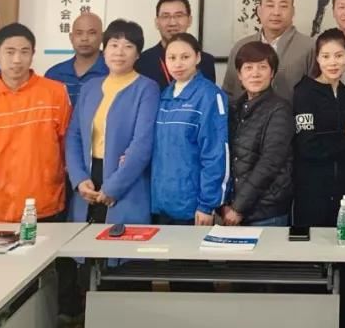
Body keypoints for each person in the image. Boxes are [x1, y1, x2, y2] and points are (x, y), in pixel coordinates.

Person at [0, 23, 72, 229]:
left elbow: (66, 145)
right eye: (10, 52)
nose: (17, 59)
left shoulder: (55, 93)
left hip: (43, 203)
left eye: (24, 52)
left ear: (33, 54)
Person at [65, 19, 158, 226]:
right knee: (82, 240)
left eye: (128, 46)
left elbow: (142, 144)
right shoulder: (90, 87)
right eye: (113, 45)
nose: (119, 52)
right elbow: (74, 136)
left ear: (138, 54)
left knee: (119, 241)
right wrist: (79, 179)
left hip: (125, 182)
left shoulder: (146, 89)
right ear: (104, 50)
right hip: (88, 180)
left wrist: (113, 187)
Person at [151, 33, 230, 226]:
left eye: (185, 57)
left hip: (193, 207)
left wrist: (207, 205)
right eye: (172, 58)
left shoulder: (209, 95)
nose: (178, 64)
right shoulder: (165, 95)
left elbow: (215, 154)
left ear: (198, 57)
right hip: (162, 202)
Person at [293, 29, 345, 227]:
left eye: (339, 55)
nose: (333, 62)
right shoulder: (304, 92)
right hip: (312, 191)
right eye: (326, 56)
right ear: (317, 59)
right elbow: (307, 146)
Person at [223, 41, 294, 227]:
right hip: (232, 210)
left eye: (262, 67)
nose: (255, 73)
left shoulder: (280, 109)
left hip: (266, 212)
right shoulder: (234, 108)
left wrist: (238, 208)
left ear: (272, 73)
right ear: (239, 75)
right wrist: (223, 204)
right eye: (248, 68)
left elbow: (270, 163)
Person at [223, 0, 314, 103]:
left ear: (293, 12)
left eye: (283, 6)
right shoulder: (241, 46)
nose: (276, 12)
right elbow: (229, 92)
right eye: (270, 5)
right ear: (259, 11)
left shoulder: (310, 47)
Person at [136, 0, 216, 88]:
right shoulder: (142, 62)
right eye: (166, 16)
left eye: (179, 16)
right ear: (157, 22)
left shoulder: (206, 61)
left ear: (189, 20)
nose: (173, 23)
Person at [45, 11, 108, 105]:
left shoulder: (112, 72)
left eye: (92, 33)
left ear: (102, 37)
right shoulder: (54, 74)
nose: (84, 38)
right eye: (79, 33)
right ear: (71, 37)